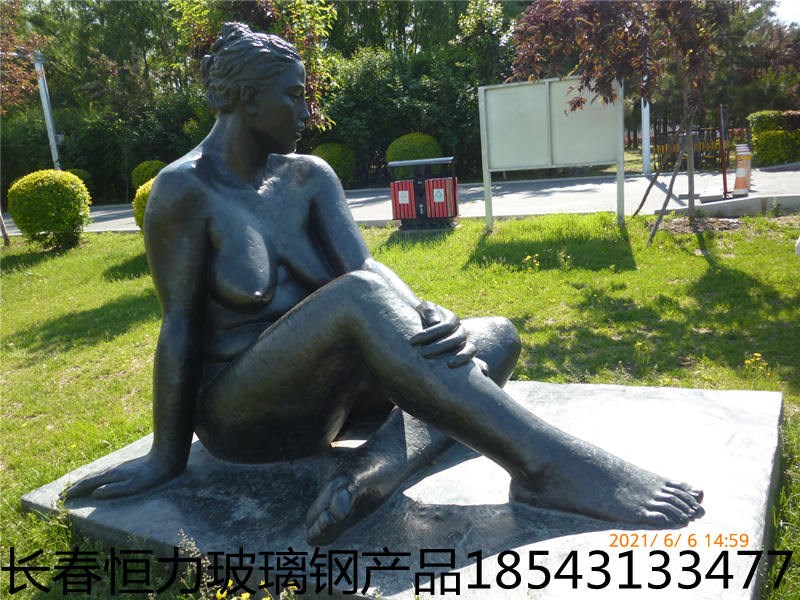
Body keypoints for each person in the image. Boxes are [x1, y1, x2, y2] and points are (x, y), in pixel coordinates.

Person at [66, 23, 703, 544]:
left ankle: (379, 465)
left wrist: (424, 310)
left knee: (494, 335)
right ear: (246, 99)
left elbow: (366, 267)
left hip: (336, 397)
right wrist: (166, 456)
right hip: (244, 416)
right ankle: (546, 465)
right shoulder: (184, 191)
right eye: (293, 96)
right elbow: (179, 327)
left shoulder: (309, 177)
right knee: (360, 301)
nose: (307, 112)